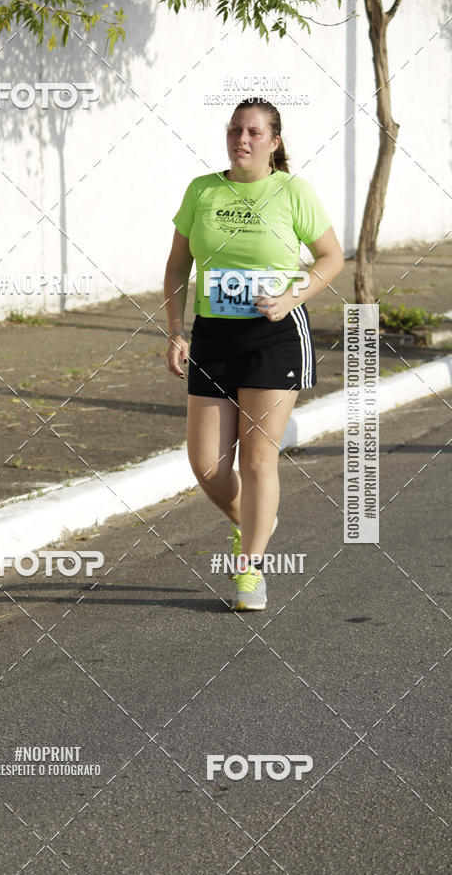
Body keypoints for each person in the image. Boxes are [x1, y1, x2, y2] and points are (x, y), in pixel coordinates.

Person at [164, 97, 344, 612]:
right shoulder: (202, 190)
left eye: (254, 133)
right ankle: (257, 521)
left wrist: (292, 297)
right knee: (206, 465)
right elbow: (177, 267)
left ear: (274, 142)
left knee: (259, 456)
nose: (242, 140)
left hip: (275, 334)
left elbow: (332, 258)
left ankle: (251, 568)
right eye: (235, 130)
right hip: (214, 337)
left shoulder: (293, 192)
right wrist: (176, 331)